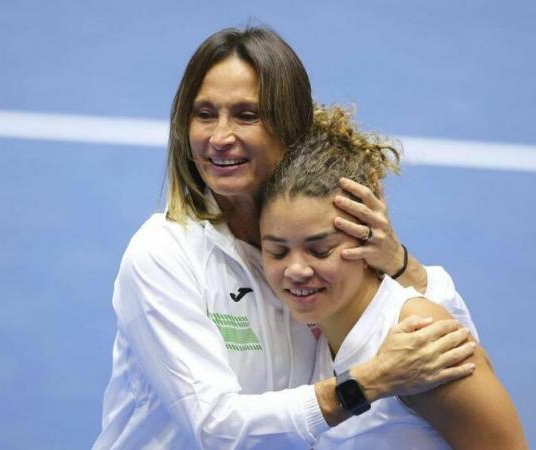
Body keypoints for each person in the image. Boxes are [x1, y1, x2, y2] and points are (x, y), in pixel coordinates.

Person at [94, 27, 479, 449]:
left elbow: (458, 355)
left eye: (246, 115)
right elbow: (215, 429)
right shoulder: (162, 253)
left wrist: (401, 265)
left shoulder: (329, 243)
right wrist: (370, 381)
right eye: (205, 114)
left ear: (289, 125)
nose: (220, 138)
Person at [258, 105, 527, 449]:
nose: (295, 270)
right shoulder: (306, 337)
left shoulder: (420, 334)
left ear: (366, 234)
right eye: (277, 252)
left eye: (321, 250)